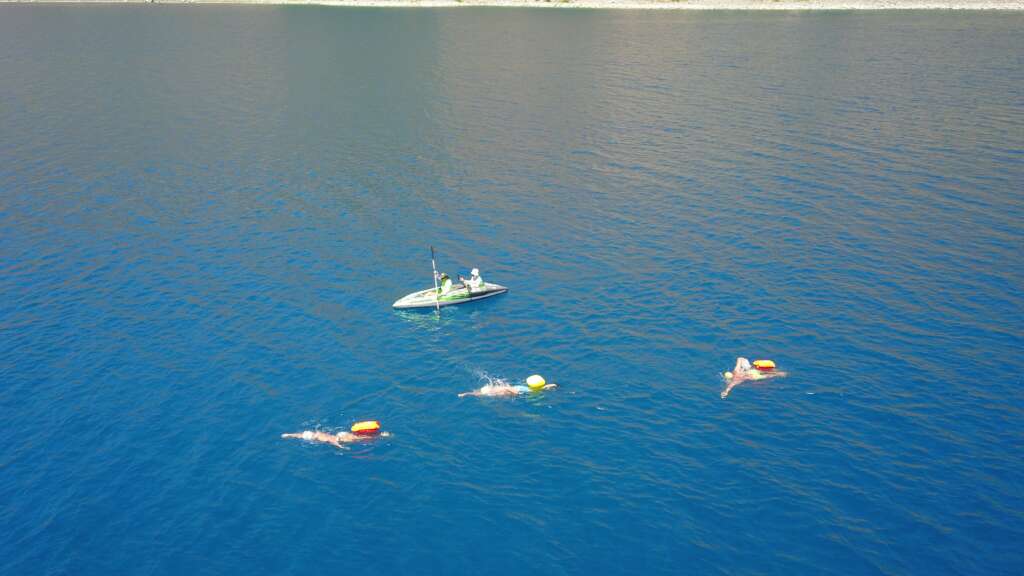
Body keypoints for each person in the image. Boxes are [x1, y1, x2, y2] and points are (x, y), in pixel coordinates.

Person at [721, 357, 787, 399]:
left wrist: (726, 392)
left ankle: (779, 373)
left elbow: (730, 386)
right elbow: (739, 358)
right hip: (752, 372)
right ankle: (778, 373)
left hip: (752, 375)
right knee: (766, 374)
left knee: (767, 376)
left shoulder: (736, 379)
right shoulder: (736, 371)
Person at [281, 429, 390, 447]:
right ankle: (380, 434)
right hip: (339, 434)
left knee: (359, 438)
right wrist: (288, 435)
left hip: (340, 438)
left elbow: (331, 440)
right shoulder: (317, 433)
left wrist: (340, 446)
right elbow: (298, 435)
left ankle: (381, 435)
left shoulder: (319, 438)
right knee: (358, 437)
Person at [458, 379, 557, 398]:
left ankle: (465, 394)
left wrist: (465, 394)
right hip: (514, 388)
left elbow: (514, 391)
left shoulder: (492, 392)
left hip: (514, 389)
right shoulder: (495, 390)